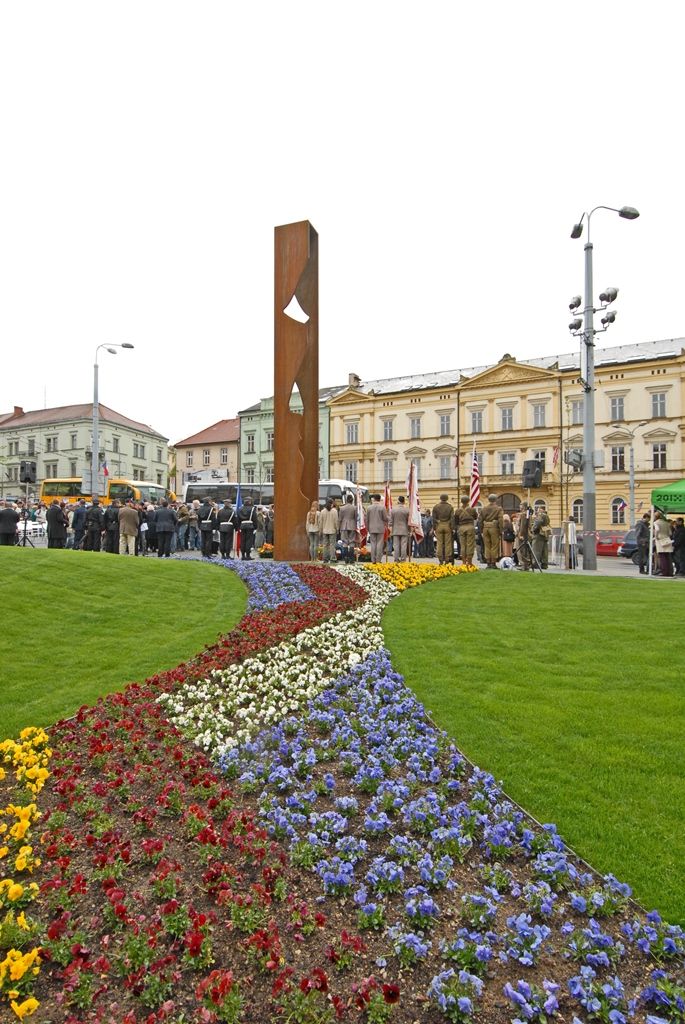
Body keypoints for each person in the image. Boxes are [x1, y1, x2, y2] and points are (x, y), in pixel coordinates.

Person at [478, 494, 504, 568]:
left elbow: (480, 520)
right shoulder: (498, 509)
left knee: (487, 546)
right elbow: (501, 520)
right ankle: (493, 563)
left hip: (485, 528)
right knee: (494, 546)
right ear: (496, 500)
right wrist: (501, 530)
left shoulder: (484, 508)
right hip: (494, 527)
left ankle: (488, 562)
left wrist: (481, 531)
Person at [454, 497, 477, 566]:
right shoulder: (472, 509)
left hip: (461, 527)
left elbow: (456, 521)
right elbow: (475, 517)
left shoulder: (457, 510)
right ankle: (469, 562)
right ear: (468, 501)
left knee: (462, 545)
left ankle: (463, 562)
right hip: (470, 526)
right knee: (470, 545)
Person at [365, 494, 388, 564]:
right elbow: (385, 518)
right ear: (379, 499)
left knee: (373, 544)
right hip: (380, 528)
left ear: (374, 499)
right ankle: (378, 560)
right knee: (379, 544)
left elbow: (367, 519)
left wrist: (367, 528)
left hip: (371, 528)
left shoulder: (369, 508)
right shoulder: (382, 508)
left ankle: (373, 560)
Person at [432, 494, 454, 564]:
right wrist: (452, 527)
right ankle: (447, 559)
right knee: (448, 544)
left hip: (439, 525)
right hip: (447, 525)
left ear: (440, 498)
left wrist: (434, 527)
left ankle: (440, 560)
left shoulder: (436, 507)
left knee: (439, 543)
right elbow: (452, 518)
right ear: (447, 498)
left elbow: (433, 518)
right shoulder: (450, 507)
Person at [390, 494, 410, 562]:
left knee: (396, 546)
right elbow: (409, 521)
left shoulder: (393, 510)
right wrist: (410, 530)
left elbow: (390, 521)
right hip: (404, 530)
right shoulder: (407, 510)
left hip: (395, 530)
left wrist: (390, 530)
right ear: (404, 501)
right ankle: (403, 559)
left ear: (398, 501)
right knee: (403, 546)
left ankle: (396, 559)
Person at [319, 497, 339, 563]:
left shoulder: (322, 511)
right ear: (332, 504)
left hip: (325, 530)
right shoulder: (334, 511)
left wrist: (320, 530)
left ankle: (325, 558)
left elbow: (320, 522)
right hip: (332, 530)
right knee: (332, 545)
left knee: (325, 545)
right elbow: (336, 521)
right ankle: (332, 558)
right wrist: (337, 529)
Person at [338, 494, 357, 564]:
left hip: (344, 525)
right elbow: (356, 518)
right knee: (352, 542)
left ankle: (346, 558)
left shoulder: (342, 508)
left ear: (346, 500)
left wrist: (338, 527)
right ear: (352, 500)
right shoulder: (354, 508)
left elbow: (340, 519)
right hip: (352, 525)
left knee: (345, 542)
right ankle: (351, 558)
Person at [653, 511, 673, 577]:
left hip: (660, 540)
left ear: (656, 517)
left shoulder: (656, 523)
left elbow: (657, 529)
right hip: (667, 540)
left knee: (662, 557)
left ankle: (664, 572)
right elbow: (670, 533)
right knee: (667, 557)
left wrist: (655, 537)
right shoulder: (666, 523)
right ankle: (669, 572)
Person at [530, 505, 551, 570]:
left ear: (541, 510)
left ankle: (535, 564)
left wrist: (533, 529)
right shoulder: (547, 516)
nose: (537, 511)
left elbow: (538, 522)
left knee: (536, 550)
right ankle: (544, 564)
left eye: (538, 509)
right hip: (545, 534)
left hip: (539, 534)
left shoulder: (541, 515)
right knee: (544, 551)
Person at [237, 496, 257, 560]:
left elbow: (238, 519)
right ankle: (248, 555)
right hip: (250, 525)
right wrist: (255, 527)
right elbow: (255, 518)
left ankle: (243, 555)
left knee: (243, 540)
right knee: (249, 541)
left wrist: (239, 527)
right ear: (250, 501)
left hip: (242, 526)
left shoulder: (240, 509)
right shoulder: (252, 508)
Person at [514, 502, 532, 570]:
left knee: (522, 550)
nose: (520, 507)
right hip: (524, 534)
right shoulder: (526, 514)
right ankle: (525, 565)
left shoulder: (523, 515)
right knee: (523, 550)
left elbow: (522, 525)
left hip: (522, 534)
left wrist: (520, 534)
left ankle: (524, 565)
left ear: (524, 507)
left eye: (521, 506)